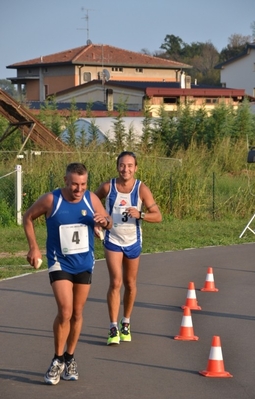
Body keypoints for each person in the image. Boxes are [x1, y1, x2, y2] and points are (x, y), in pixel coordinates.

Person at [23, 162, 112, 385]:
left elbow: (108, 220)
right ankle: (57, 359)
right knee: (65, 311)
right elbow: (28, 217)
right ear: (65, 181)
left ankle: (70, 357)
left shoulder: (91, 199)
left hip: (84, 262)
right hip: (59, 262)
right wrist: (33, 246)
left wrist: (105, 221)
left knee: (78, 313)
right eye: (74, 184)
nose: (78, 189)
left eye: (83, 184)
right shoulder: (52, 200)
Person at [95, 151, 162, 345]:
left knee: (130, 283)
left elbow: (157, 216)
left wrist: (140, 214)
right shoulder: (108, 187)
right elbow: (92, 200)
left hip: (133, 241)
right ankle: (113, 327)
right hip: (113, 240)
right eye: (122, 165)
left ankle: (126, 322)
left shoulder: (141, 189)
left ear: (136, 168)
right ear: (117, 166)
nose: (126, 169)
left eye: (130, 166)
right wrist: (97, 221)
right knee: (116, 282)